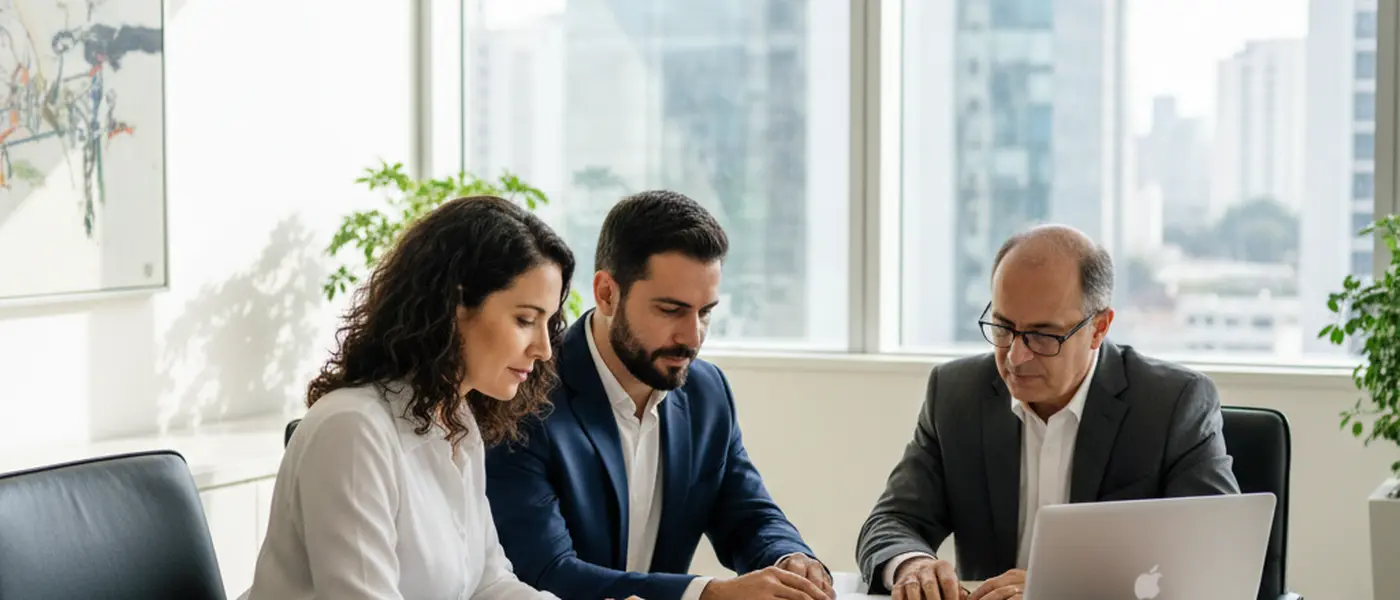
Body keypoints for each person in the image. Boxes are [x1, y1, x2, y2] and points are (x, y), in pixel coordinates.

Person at [855, 224, 1240, 600]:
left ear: (1099, 327)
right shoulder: (957, 395)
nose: (1016, 357)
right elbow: (892, 521)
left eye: (1043, 335)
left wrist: (1058, 588)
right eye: (1003, 328)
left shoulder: (1172, 404)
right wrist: (912, 564)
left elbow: (1216, 554)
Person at [484, 190, 834, 600]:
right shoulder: (523, 393)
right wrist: (709, 595)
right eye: (671, 310)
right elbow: (545, 572)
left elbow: (748, 515)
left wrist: (789, 559)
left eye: (705, 312)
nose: (692, 337)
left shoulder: (707, 392)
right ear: (607, 294)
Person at [240, 196, 570, 600]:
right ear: (455, 305)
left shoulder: (456, 424)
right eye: (524, 320)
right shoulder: (354, 431)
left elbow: (488, 583)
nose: (544, 349)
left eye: (548, 323)